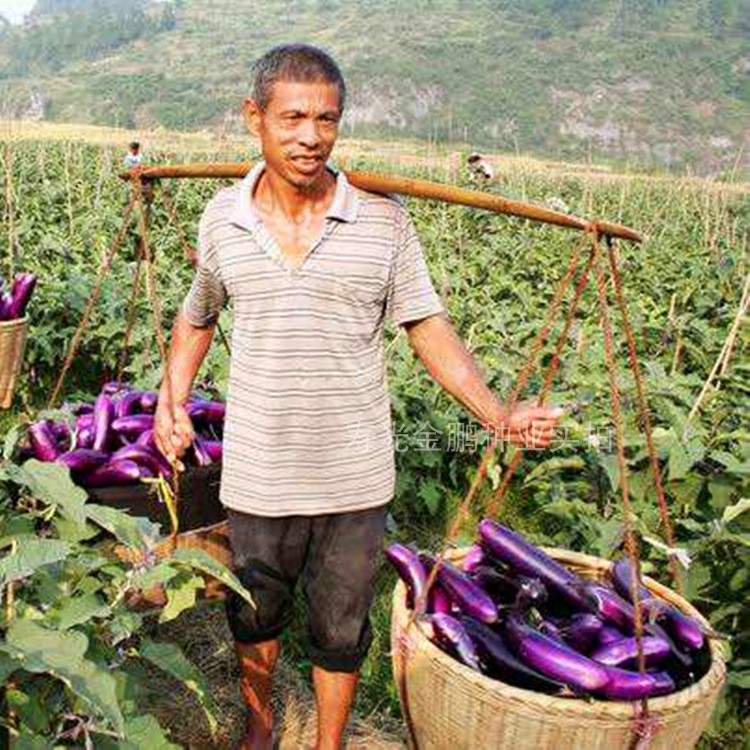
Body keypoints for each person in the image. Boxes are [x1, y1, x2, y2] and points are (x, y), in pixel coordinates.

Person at [154, 44, 563, 750]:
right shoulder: (222, 219)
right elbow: (196, 316)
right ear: (254, 118)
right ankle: (258, 727)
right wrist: (172, 402)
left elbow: (428, 327)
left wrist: (496, 414)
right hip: (258, 470)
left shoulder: (382, 219)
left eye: (326, 119)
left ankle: (330, 742)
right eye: (292, 118)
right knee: (255, 612)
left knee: (341, 624)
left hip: (353, 474)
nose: (310, 137)